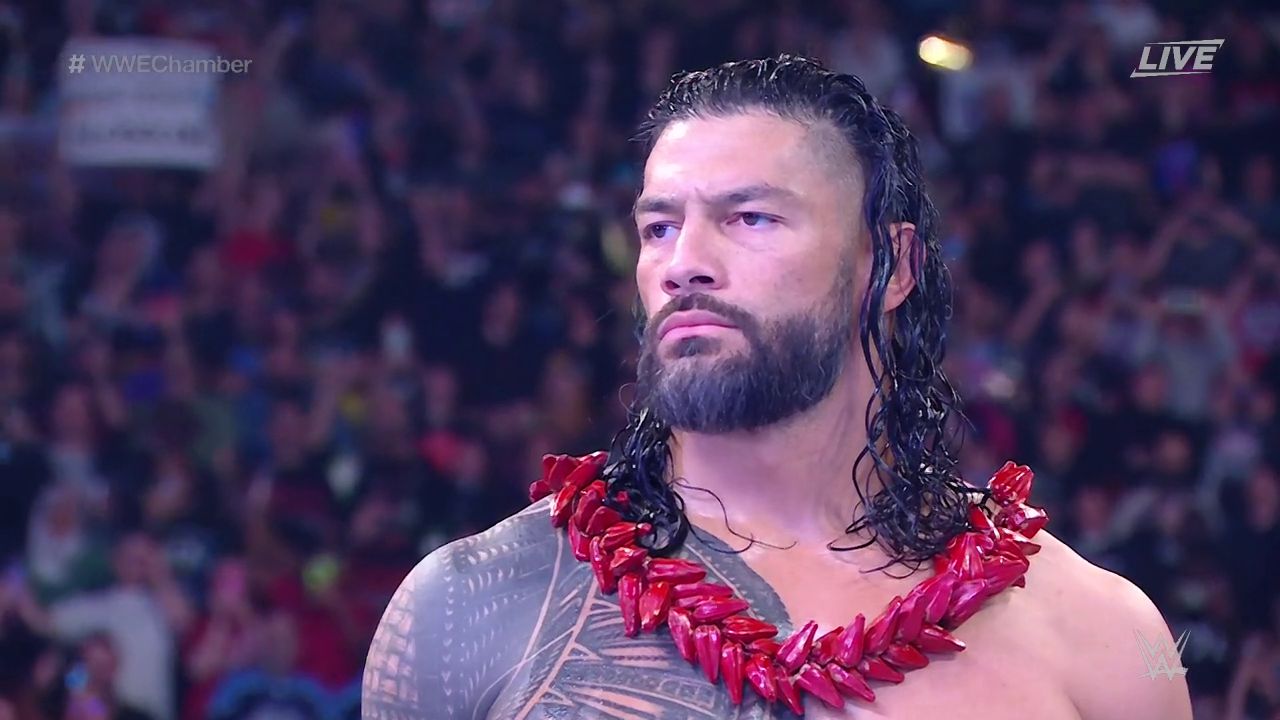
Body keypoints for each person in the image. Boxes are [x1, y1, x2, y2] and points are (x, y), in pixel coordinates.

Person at [362, 55, 1194, 720]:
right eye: (659, 226)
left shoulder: (1101, 633)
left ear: (890, 266)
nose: (683, 262)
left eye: (750, 217)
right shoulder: (467, 609)